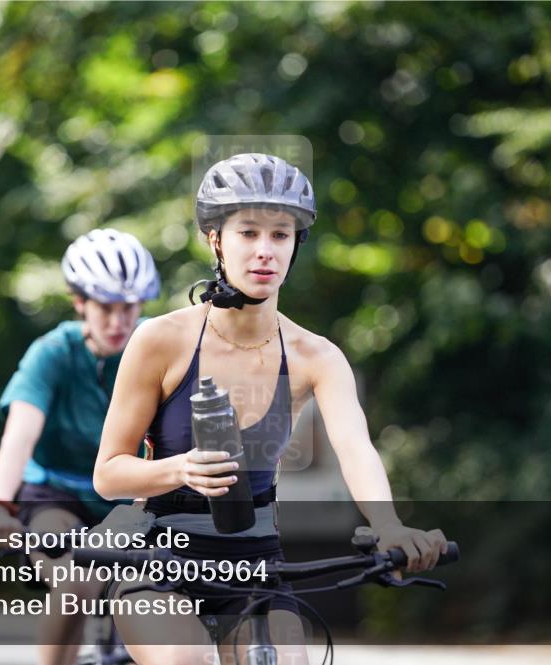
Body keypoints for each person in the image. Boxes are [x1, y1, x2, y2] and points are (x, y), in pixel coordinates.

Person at [92, 153, 448, 665]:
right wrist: (179, 469)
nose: (265, 251)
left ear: (295, 245)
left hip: (257, 561)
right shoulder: (160, 341)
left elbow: (357, 450)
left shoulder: (316, 357)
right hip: (159, 557)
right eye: (248, 233)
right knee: (183, 661)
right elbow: (108, 474)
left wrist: (389, 525)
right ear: (215, 239)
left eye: (280, 235)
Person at [0, 228, 159, 665]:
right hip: (58, 497)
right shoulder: (53, 352)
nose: (119, 323)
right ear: (79, 301)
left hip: (136, 497)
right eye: (105, 309)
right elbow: (20, 434)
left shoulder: (155, 344)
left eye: (128, 308)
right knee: (78, 583)